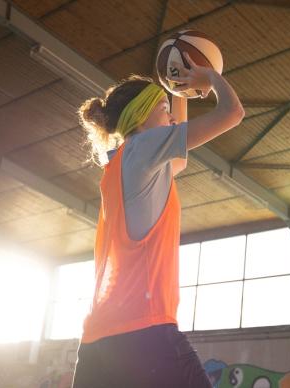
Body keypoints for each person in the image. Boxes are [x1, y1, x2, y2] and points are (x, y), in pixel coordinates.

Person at [73, 52, 244, 388]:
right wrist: (208, 78)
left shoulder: (125, 162)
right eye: (163, 109)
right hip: (143, 332)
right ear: (141, 116)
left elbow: (177, 147)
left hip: (99, 340)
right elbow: (232, 113)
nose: (171, 117)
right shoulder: (144, 147)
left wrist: (177, 89)